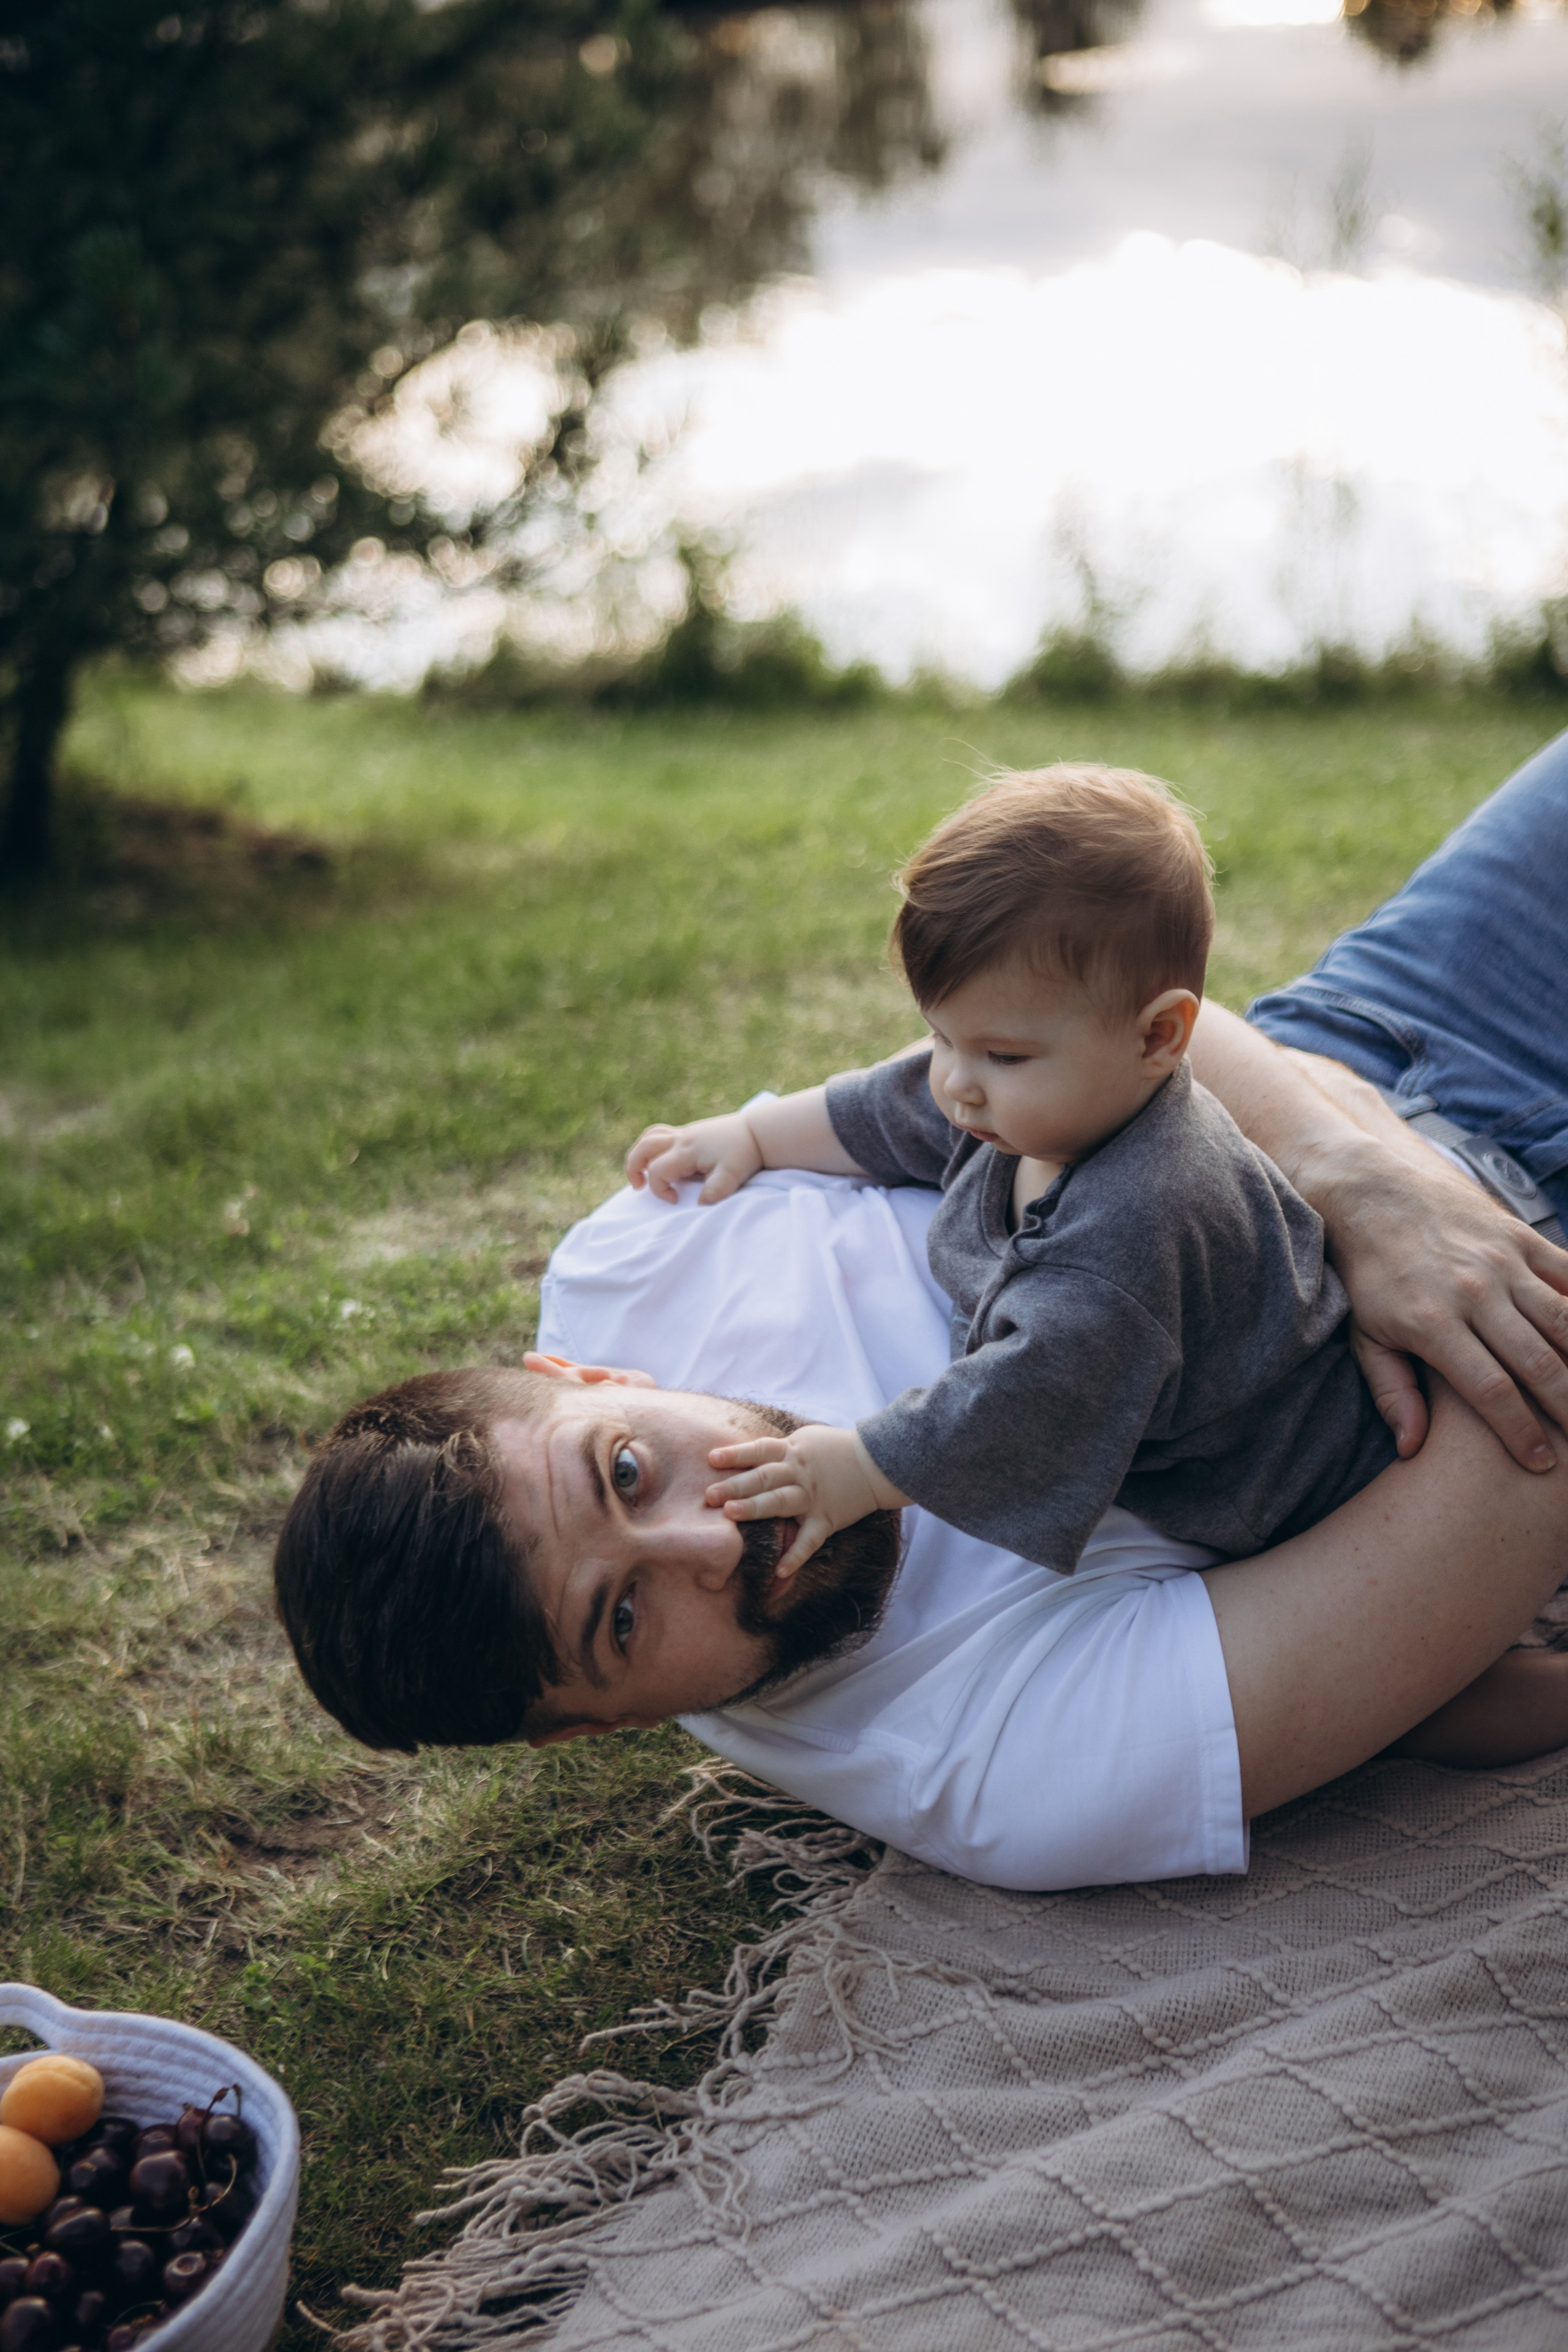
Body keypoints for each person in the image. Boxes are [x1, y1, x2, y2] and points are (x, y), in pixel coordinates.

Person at [272, 728, 1568, 1892]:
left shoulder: (637, 1266)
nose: (709, 1537)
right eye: (623, 1618)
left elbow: (1049, 1033)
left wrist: (1359, 1178)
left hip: (1368, 1029)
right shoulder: (1000, 1766)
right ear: (593, 1728)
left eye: (622, 1471)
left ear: (589, 1376)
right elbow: (1517, 1470)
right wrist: (1433, 1214)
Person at [624, 764, 1394, 1581]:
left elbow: (1026, 1404)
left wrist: (863, 1468)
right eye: (942, 1037)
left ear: (1159, 1037)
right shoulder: (1047, 1103)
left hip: (1281, 1485)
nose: (957, 1081)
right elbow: (889, 1106)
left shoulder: (1132, 1229)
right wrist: (754, 1134)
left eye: (1003, 1054)